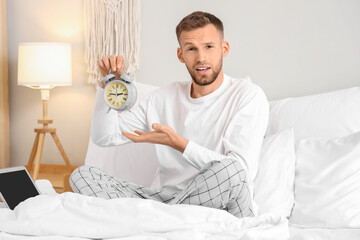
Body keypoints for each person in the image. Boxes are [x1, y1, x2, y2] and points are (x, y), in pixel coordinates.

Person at [70, 11, 269, 218]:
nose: (201, 58)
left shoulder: (247, 95)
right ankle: (168, 220)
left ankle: (157, 221)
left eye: (209, 47)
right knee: (83, 175)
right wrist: (108, 85)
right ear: (180, 54)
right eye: (191, 49)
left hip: (221, 205)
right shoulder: (163, 98)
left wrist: (179, 144)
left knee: (231, 170)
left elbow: (240, 174)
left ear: (224, 48)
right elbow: (104, 137)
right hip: (166, 203)